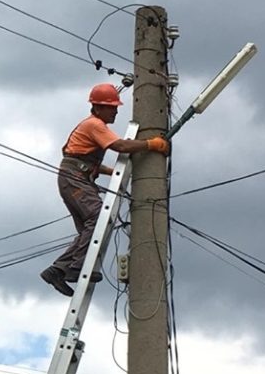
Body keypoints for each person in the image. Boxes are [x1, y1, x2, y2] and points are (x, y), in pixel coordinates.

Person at [40, 83, 169, 297]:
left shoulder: (92, 126)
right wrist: (151, 145)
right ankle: (75, 268)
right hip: (75, 179)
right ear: (98, 107)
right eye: (112, 107)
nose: (116, 111)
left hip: (74, 177)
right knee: (99, 217)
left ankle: (58, 270)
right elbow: (121, 146)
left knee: (88, 231)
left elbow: (87, 161)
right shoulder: (95, 125)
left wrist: (112, 172)